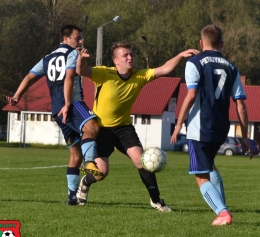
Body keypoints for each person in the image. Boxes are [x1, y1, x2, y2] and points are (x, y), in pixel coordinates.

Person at [75, 41, 199, 211]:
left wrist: (180, 55)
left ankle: (156, 201)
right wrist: (81, 58)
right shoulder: (104, 73)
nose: (130, 57)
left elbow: (164, 69)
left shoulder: (139, 76)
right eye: (125, 55)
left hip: (124, 129)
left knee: (143, 162)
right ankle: (85, 182)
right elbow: (81, 71)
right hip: (101, 130)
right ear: (116, 61)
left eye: (131, 54)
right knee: (101, 173)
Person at [6, 24, 103, 206]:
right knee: (93, 126)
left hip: (55, 110)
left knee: (75, 154)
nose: (81, 41)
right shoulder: (72, 53)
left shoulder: (47, 58)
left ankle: (71, 196)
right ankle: (90, 162)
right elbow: (69, 77)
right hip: (72, 104)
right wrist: (68, 104)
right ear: (66, 39)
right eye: (78, 38)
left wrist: (17, 96)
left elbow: (29, 77)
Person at [170, 24, 253, 224]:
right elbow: (240, 105)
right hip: (221, 127)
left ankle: (223, 213)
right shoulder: (232, 67)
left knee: (200, 176)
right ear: (221, 43)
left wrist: (179, 123)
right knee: (211, 166)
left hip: (200, 126)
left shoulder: (195, 62)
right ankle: (222, 207)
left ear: (201, 42)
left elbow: (191, 95)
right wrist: (244, 137)